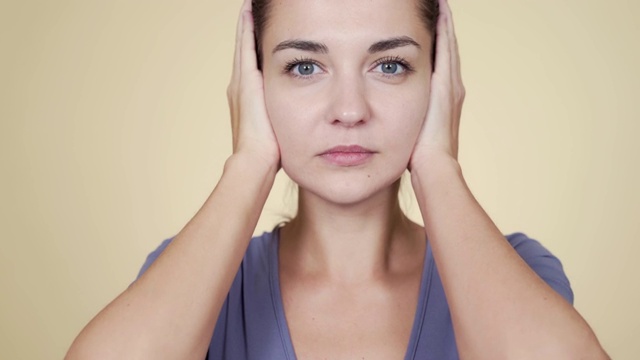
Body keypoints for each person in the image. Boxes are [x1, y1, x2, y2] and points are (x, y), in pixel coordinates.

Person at [66, 0, 610, 358]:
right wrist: (248, 163)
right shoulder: (193, 275)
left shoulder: (518, 271)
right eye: (304, 67)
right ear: (255, 87)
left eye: (390, 65)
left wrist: (440, 168)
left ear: (439, 84)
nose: (349, 110)